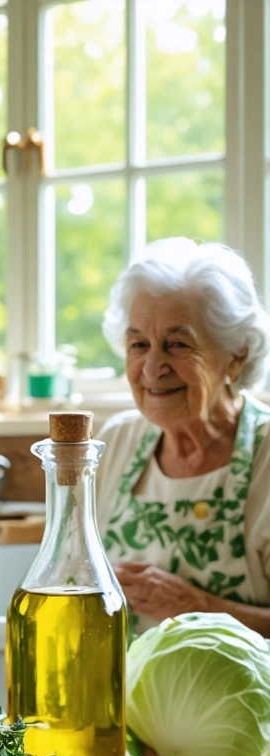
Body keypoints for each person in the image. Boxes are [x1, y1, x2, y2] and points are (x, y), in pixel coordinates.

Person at [96, 237, 270, 636]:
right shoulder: (117, 442)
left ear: (237, 354)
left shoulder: (267, 452)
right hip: (122, 696)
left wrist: (200, 608)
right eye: (139, 344)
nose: (153, 367)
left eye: (178, 344)